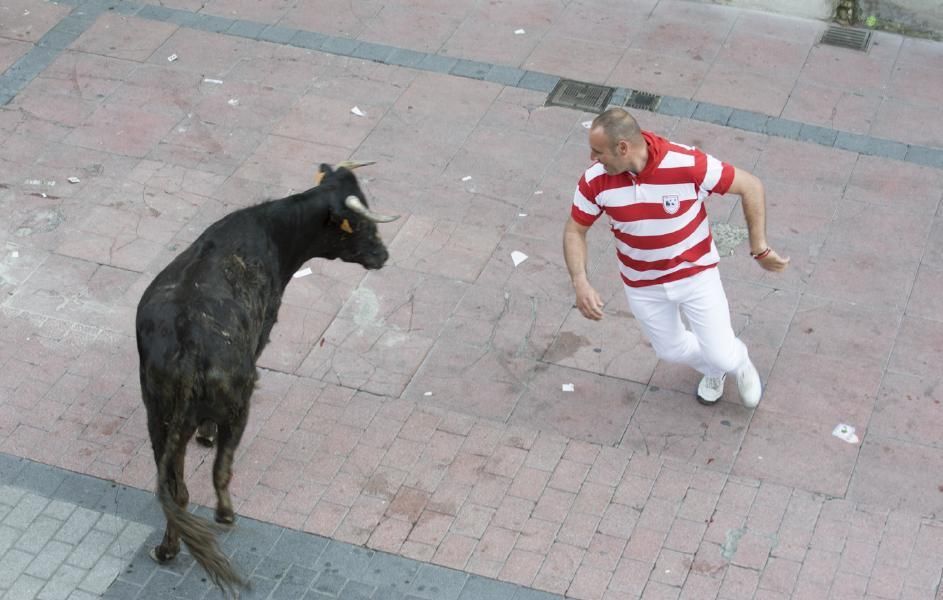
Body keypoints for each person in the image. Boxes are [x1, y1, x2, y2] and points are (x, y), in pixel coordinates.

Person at [563, 108, 789, 407]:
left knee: (722, 351)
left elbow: (750, 186)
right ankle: (713, 371)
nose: (593, 159)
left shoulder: (686, 163)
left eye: (598, 151)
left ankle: (739, 363)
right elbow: (575, 230)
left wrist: (759, 247)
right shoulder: (595, 181)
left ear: (623, 147)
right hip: (643, 284)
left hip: (696, 275)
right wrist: (580, 282)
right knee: (670, 351)